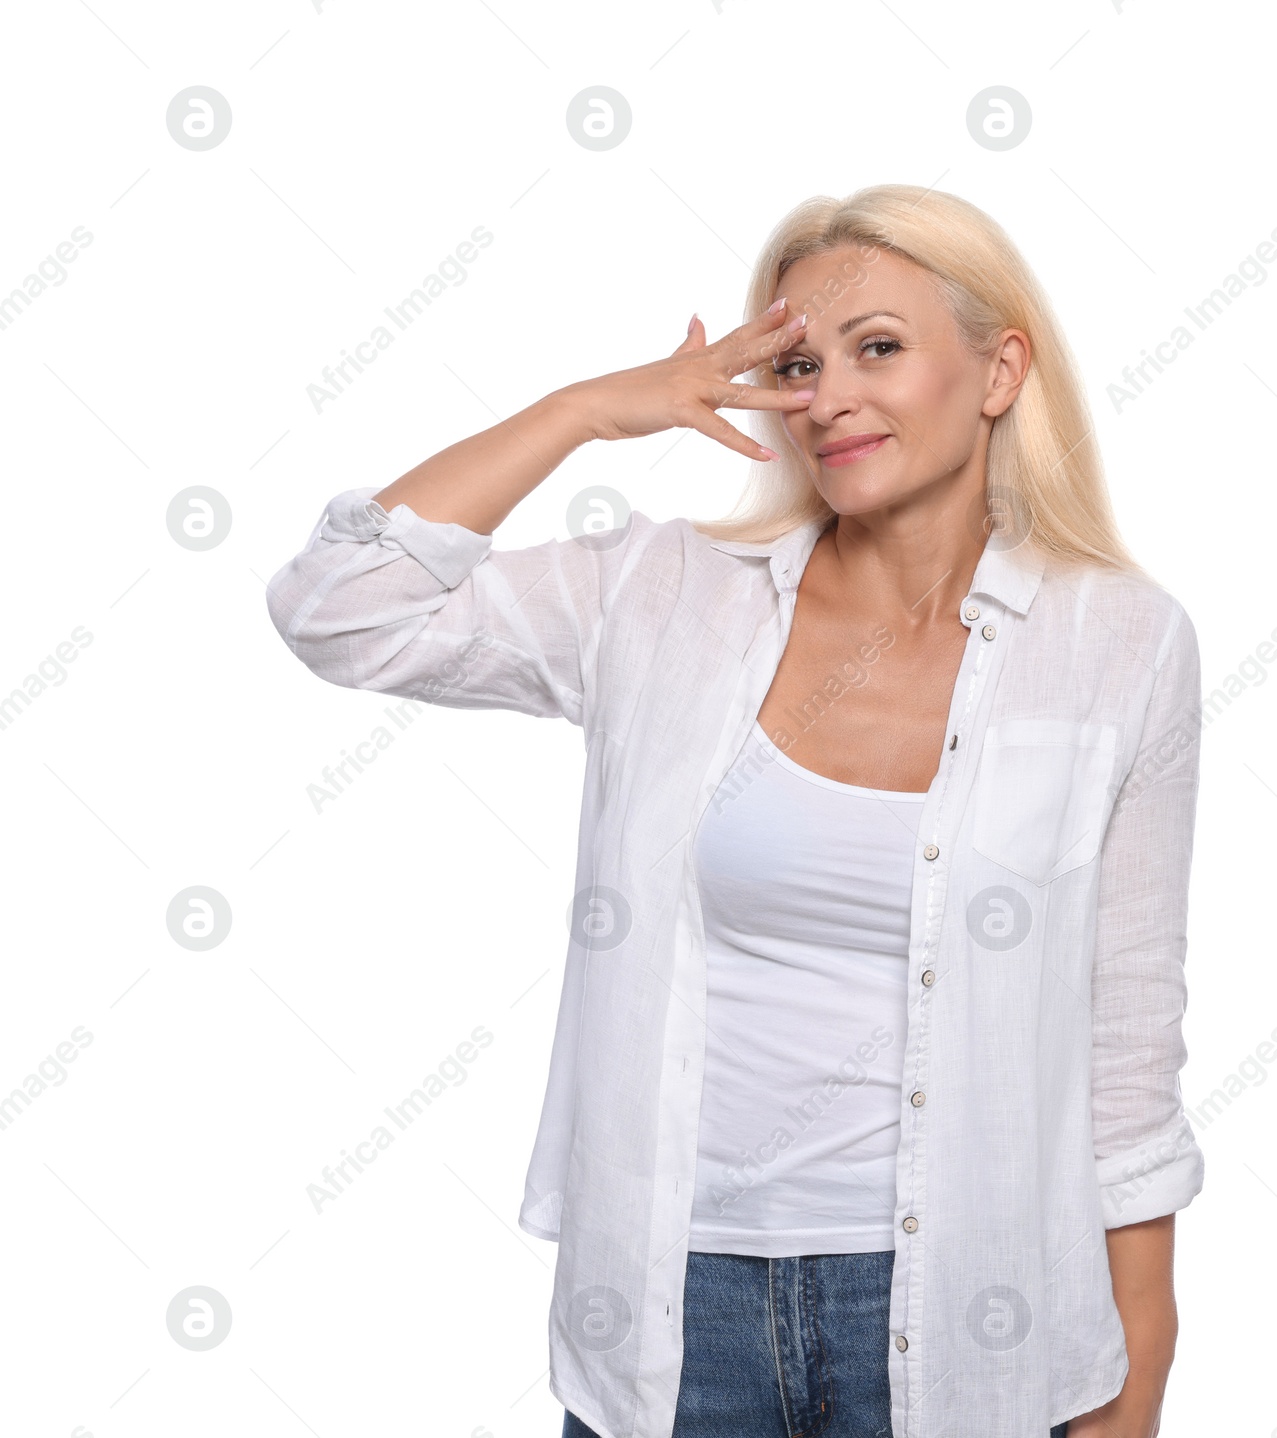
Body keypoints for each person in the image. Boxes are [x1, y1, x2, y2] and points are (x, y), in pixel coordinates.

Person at [265, 183, 1205, 1438]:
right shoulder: (661, 593)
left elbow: (1127, 1046)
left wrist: (1130, 1386)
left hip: (971, 1312)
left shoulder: (1117, 641)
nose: (828, 395)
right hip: (675, 1307)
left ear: (997, 370)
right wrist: (592, 411)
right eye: (799, 361)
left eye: (879, 347)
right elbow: (341, 608)